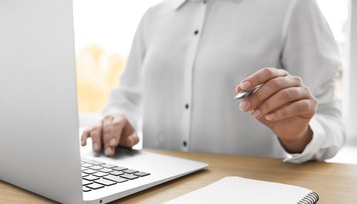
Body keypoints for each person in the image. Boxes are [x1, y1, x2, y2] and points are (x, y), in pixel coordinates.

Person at [81, 0, 346, 163]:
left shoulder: (293, 6)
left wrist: (299, 135)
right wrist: (117, 120)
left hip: (247, 199)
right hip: (152, 194)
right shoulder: (154, 16)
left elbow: (331, 122)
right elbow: (127, 97)